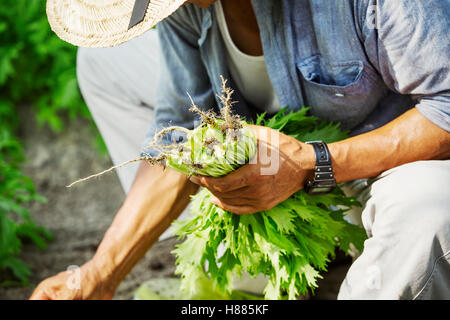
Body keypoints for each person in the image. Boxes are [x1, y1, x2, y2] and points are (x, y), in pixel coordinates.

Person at [31, 0, 449, 300]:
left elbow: (445, 106)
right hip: (284, 177)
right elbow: (179, 132)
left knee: (431, 209)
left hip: (385, 165)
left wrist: (312, 164)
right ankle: (259, 270)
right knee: (102, 61)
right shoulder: (188, 10)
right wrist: (99, 274)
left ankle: (372, 255)